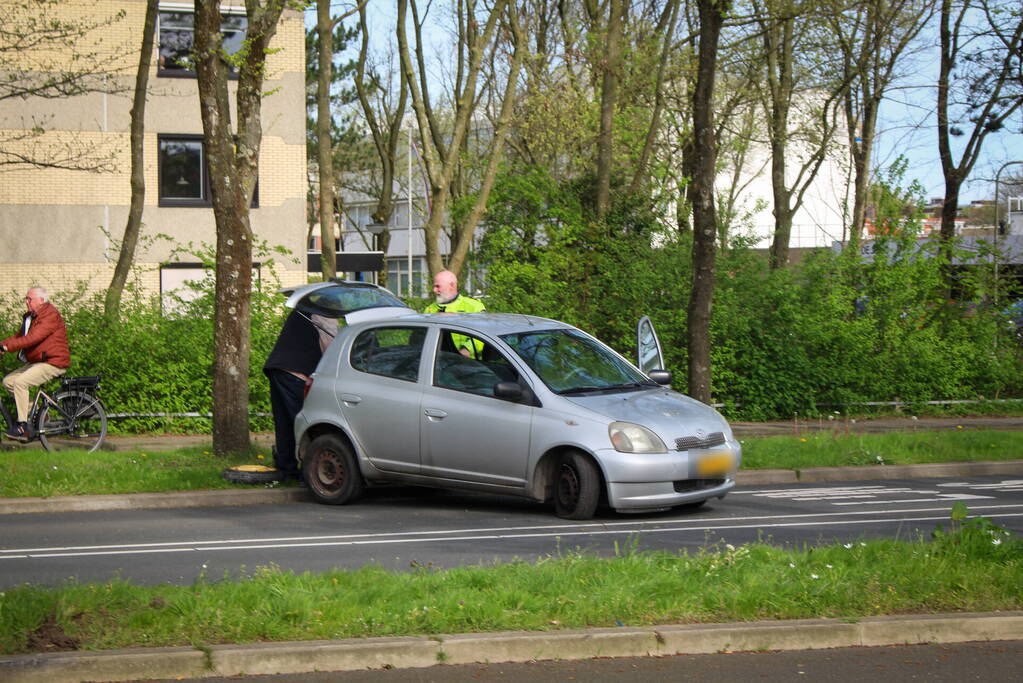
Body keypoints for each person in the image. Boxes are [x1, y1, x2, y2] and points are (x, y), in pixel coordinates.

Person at [263, 309, 338, 482]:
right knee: (305, 425)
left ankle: (286, 469)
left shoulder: (304, 308)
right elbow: (330, 349)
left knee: (284, 423)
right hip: (296, 373)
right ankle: (309, 475)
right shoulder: (324, 313)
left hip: (278, 369)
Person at [1, 286, 71, 441]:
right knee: (8, 381)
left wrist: (8, 347)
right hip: (39, 361)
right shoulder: (32, 317)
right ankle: (40, 415)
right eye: (26, 299)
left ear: (41, 300)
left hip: (53, 361)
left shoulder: (49, 315)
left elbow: (33, 338)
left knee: (20, 382)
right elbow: (19, 337)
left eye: (29, 299)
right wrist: (3, 345)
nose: (27, 302)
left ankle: (23, 427)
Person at [424, 270, 485, 357]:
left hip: (468, 362)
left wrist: (466, 350)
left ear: (452, 285)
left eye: (438, 286)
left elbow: (483, 335)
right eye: (434, 286)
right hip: (436, 361)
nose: (434, 290)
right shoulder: (429, 310)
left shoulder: (473, 307)